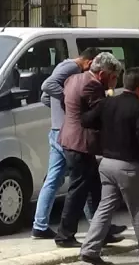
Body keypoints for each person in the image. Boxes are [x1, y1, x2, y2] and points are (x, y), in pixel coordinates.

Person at [78, 67, 139, 265]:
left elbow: (86, 120)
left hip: (106, 164)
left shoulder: (107, 102)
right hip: (130, 167)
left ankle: (89, 249)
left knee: (104, 208)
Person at [32, 47, 125, 239]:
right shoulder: (77, 75)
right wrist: (72, 106)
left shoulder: (72, 79)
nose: (114, 81)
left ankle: (98, 228)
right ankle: (67, 233)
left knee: (84, 185)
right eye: (113, 76)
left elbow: (45, 97)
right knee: (78, 187)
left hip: (66, 134)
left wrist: (67, 107)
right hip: (75, 139)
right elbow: (47, 88)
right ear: (93, 65)